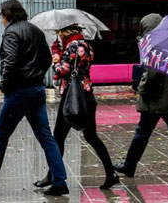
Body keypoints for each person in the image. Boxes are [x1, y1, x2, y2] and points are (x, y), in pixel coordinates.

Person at [0, 0, 69, 196]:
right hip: (36, 91)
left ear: (6, 15)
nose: (1, 19)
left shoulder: (12, 32)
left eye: (1, 15)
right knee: (46, 137)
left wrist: (5, 85)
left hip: (19, 92)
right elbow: (46, 59)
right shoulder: (35, 30)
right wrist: (35, 77)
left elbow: (10, 61)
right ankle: (60, 180)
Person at [33, 24, 120, 190]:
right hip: (86, 96)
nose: (58, 36)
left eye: (59, 33)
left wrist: (56, 54)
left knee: (58, 137)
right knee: (92, 137)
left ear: (65, 32)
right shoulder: (86, 45)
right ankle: (111, 174)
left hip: (72, 99)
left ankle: (53, 177)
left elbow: (61, 70)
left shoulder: (72, 47)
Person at [113, 13, 168, 178]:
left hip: (155, 99)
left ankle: (129, 166)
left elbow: (152, 73)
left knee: (142, 133)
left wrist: (142, 89)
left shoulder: (154, 45)